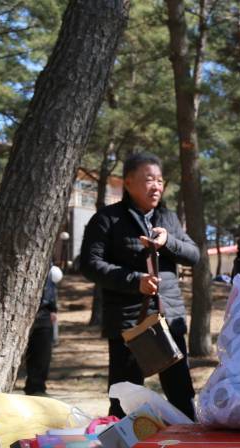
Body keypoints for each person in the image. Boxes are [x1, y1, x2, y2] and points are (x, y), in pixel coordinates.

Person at [79, 151, 201, 420]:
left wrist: (168, 242)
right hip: (129, 322)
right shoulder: (107, 219)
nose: (156, 186)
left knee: (182, 395)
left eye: (159, 180)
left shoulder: (167, 219)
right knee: (124, 397)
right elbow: (89, 263)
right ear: (128, 182)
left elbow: (194, 255)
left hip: (169, 319)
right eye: (148, 179)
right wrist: (135, 282)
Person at [23, 265, 63, 396]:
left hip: (44, 312)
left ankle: (37, 388)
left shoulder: (48, 264)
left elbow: (51, 288)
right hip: (21, 311)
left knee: (43, 354)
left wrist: (53, 309)